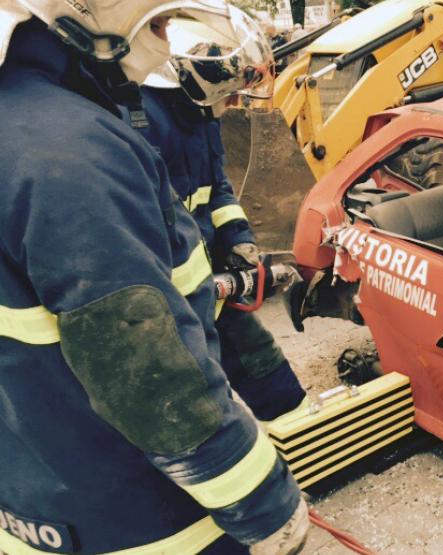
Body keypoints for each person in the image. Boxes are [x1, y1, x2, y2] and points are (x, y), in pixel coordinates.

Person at [0, 1, 308, 553]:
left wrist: (236, 238)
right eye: (158, 22)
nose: (163, 41)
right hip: (141, 521)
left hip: (43, 493)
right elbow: (145, 363)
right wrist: (262, 504)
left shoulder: (35, 124)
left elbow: (215, 187)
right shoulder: (69, 151)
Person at [139, 8, 307, 423]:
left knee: (265, 369)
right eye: (229, 88)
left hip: (212, 278)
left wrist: (238, 240)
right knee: (198, 396)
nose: (235, 101)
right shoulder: (143, 121)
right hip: (172, 290)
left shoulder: (202, 116)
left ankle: (298, 429)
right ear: (196, 75)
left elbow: (217, 188)